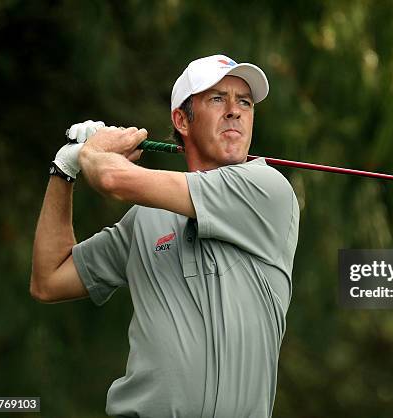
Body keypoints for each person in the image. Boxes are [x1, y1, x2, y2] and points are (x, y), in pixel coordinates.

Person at [31, 54, 300, 417]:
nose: (235, 110)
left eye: (245, 102)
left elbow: (112, 178)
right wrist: (64, 168)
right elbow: (48, 279)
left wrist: (92, 152)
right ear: (181, 120)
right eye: (217, 98)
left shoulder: (267, 189)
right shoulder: (145, 220)